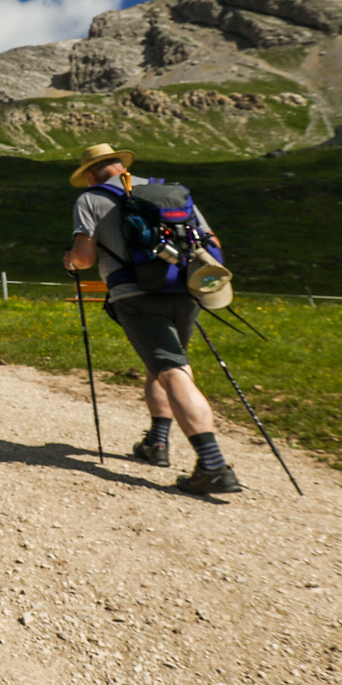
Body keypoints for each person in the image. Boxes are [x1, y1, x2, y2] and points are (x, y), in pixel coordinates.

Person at [61, 143, 240, 495]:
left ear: (92, 173)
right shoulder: (171, 193)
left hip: (135, 296)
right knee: (168, 366)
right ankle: (157, 443)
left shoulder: (91, 199)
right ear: (119, 165)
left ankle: (213, 465)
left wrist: (69, 258)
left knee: (170, 370)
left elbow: (84, 258)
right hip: (186, 291)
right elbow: (212, 241)